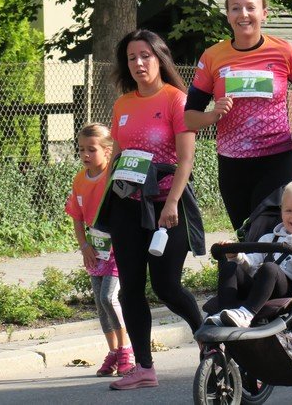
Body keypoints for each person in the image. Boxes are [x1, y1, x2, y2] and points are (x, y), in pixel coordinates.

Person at [99, 29, 205, 390]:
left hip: (166, 206)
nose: (139, 63)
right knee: (129, 289)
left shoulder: (177, 100)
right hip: (127, 207)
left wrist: (172, 202)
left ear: (160, 59)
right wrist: (105, 205)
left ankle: (209, 340)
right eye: (132, 58)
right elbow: (117, 157)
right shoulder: (123, 104)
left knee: (167, 286)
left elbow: (186, 159)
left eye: (145, 56)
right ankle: (144, 368)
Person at [184, 0, 292, 230]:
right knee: (245, 235)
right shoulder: (212, 56)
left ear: (264, 13)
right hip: (232, 164)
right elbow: (189, 117)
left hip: (276, 159)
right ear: (228, 16)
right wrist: (213, 115)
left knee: (271, 232)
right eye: (235, 8)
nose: (243, 14)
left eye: (250, 8)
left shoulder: (284, 51)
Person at [206, 172, 292, 328]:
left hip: (289, 291)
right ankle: (225, 312)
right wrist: (236, 256)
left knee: (270, 268)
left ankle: (247, 313)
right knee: (230, 266)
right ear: (281, 211)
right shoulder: (270, 238)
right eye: (288, 210)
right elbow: (252, 264)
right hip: (259, 286)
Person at [65, 123, 134, 377]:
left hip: (117, 248)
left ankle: (126, 349)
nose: (85, 154)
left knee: (109, 298)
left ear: (108, 151)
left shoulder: (114, 176)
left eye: (91, 150)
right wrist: (84, 245)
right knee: (100, 304)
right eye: (81, 149)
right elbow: (76, 216)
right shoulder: (80, 179)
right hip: (95, 250)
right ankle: (113, 352)